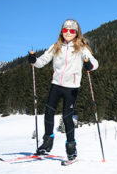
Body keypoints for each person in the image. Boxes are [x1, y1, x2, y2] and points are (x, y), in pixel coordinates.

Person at [27, 19, 99, 161]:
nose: (68, 33)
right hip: (56, 84)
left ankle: (71, 148)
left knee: (67, 117)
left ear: (76, 33)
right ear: (61, 31)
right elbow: (42, 61)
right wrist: (34, 60)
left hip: (71, 87)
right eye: (65, 30)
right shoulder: (56, 46)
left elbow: (94, 63)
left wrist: (90, 65)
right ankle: (47, 144)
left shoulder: (82, 48)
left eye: (71, 31)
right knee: (48, 112)